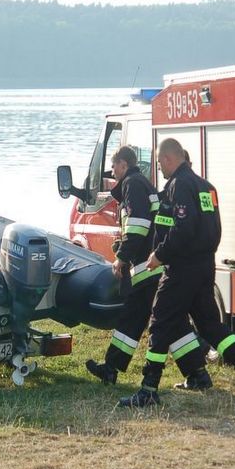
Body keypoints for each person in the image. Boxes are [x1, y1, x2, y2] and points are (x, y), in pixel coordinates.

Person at [119, 138, 235, 408]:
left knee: (159, 321)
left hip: (183, 268)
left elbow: (183, 228)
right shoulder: (206, 187)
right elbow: (208, 228)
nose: (159, 168)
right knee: (210, 326)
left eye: (159, 163)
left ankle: (148, 389)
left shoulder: (180, 186)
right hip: (204, 266)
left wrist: (160, 254)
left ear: (169, 159)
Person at [85, 146, 164, 384]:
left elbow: (138, 226)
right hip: (150, 266)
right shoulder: (141, 184)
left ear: (124, 164)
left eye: (113, 164)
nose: (111, 170)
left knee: (143, 318)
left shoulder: (132, 185)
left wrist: (122, 257)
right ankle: (111, 368)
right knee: (141, 318)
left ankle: (111, 369)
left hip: (145, 267)